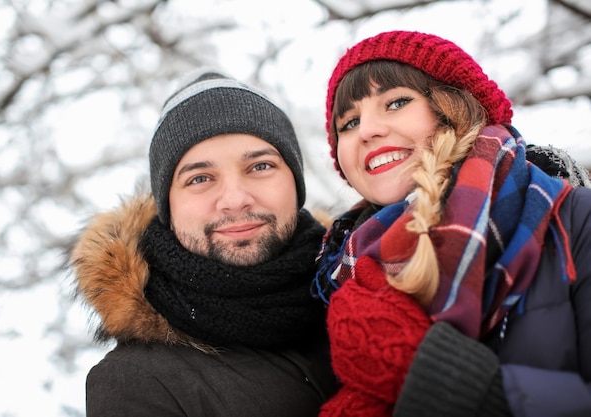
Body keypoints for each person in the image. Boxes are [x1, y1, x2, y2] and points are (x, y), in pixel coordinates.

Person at [311, 30, 591, 417]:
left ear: (455, 107)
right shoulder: (335, 272)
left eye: (395, 102)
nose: (368, 130)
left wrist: (435, 375)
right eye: (348, 122)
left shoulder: (577, 221)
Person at [69, 69, 338, 416]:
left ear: (295, 183)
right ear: (168, 207)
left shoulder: (376, 289)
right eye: (199, 178)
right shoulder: (136, 381)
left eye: (260, 167)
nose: (235, 199)